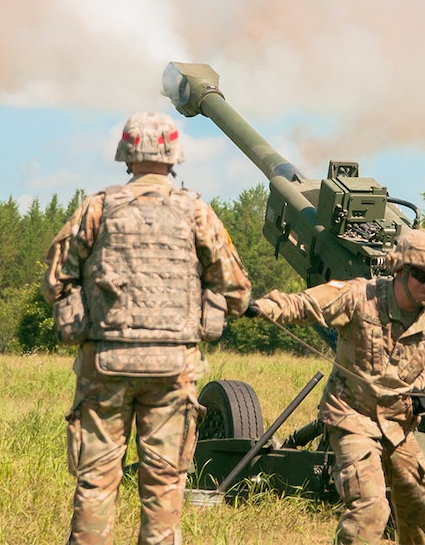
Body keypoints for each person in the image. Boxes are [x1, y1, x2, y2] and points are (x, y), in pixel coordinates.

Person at [42, 111, 251, 545]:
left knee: (96, 483)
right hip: (173, 369)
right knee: (164, 485)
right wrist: (209, 309)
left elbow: (57, 280)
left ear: (126, 153)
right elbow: (237, 289)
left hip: (106, 365)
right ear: (174, 154)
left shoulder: (97, 207)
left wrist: (80, 320)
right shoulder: (196, 212)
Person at [245, 228, 425, 545]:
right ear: (399, 269)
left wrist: (416, 393)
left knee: (421, 507)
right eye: (422, 275)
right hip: (351, 417)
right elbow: (307, 304)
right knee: (370, 508)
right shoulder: (360, 297)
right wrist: (263, 307)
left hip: (398, 425)